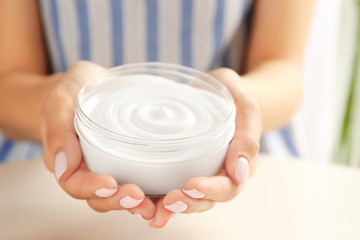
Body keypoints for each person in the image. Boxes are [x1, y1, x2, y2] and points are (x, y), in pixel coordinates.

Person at [0, 0, 314, 228]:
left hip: (234, 160)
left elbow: (283, 68)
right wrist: (54, 104)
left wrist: (241, 102)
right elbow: (8, 82)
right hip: (54, 174)